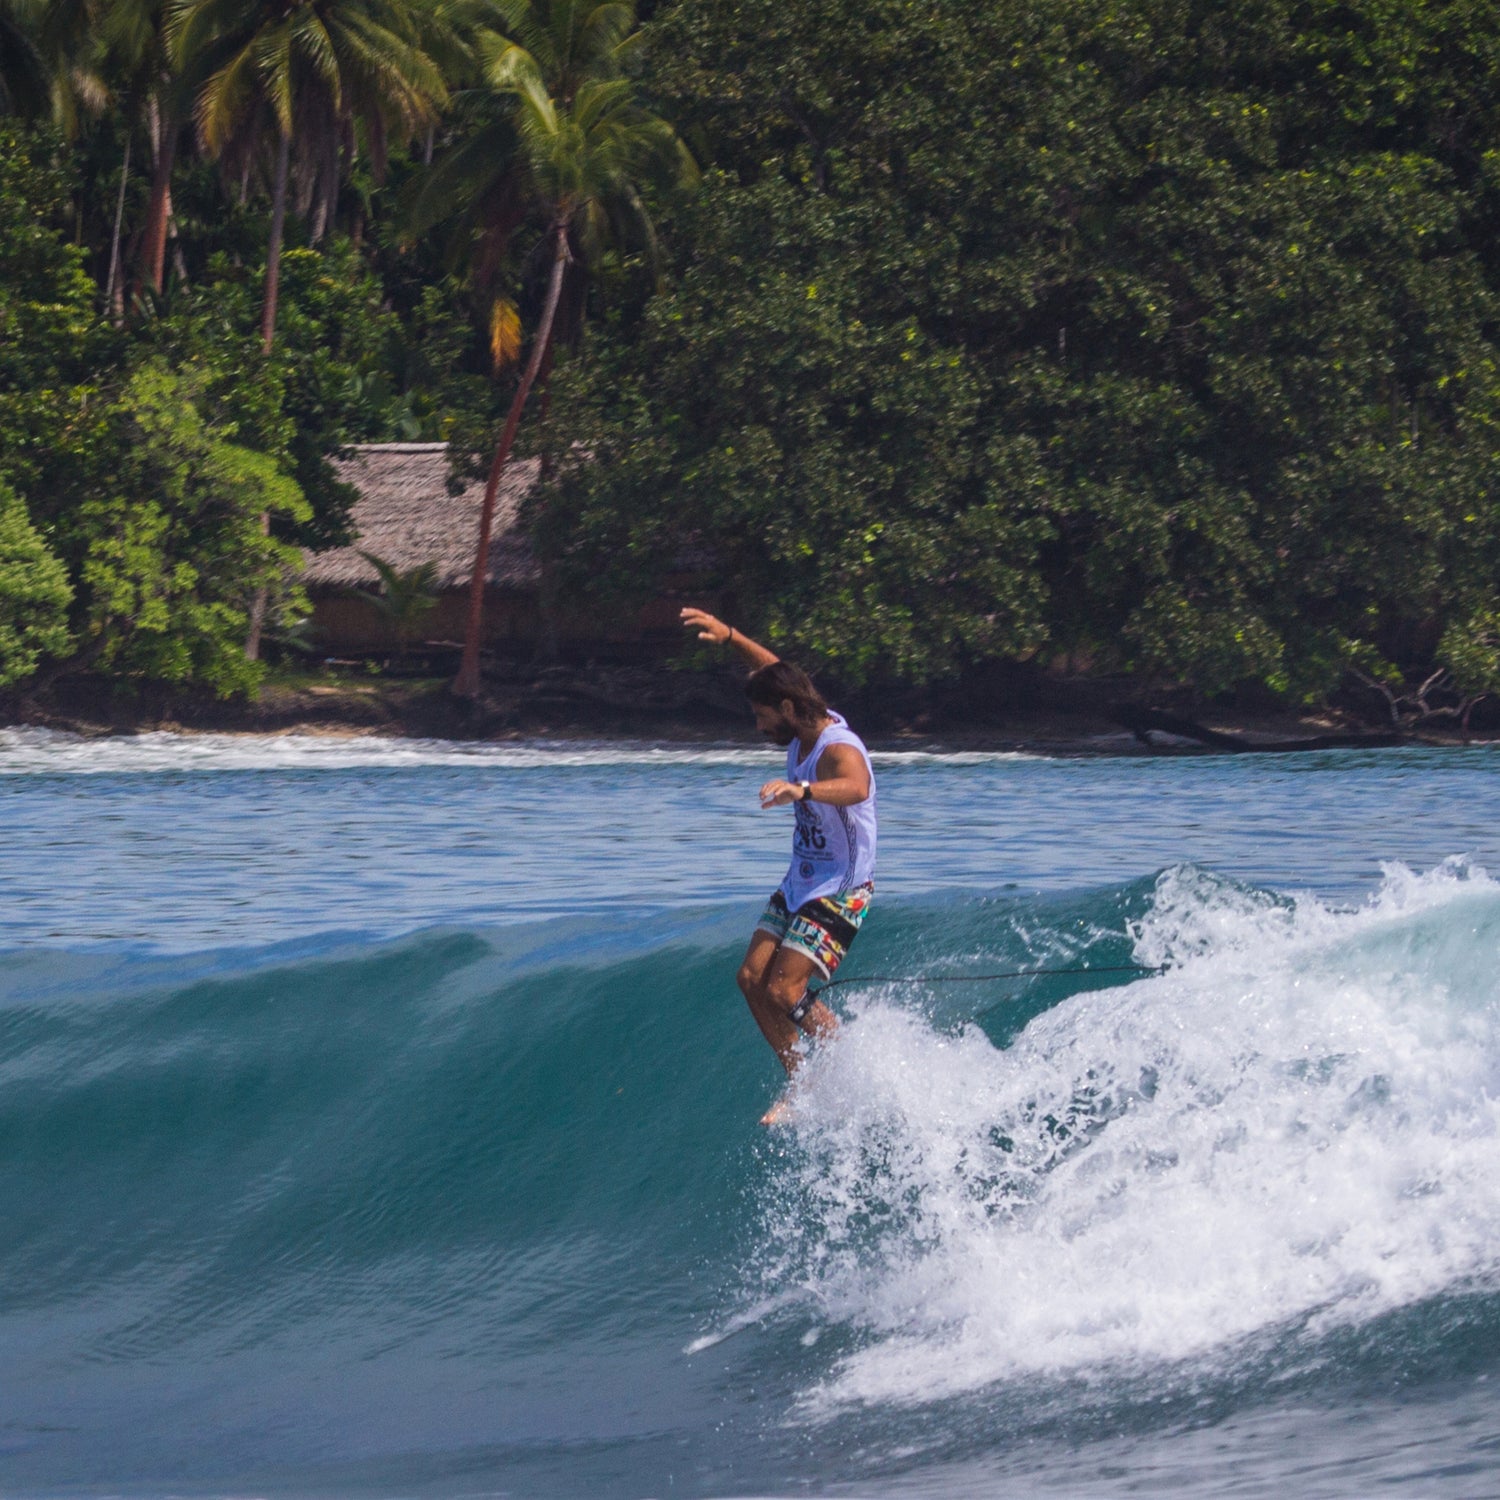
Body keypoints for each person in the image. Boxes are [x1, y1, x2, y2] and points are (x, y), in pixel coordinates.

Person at [681, 607, 877, 1123]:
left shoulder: (838, 745)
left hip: (841, 887)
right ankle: (804, 1078)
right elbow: (775, 668)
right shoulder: (801, 723)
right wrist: (731, 636)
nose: (759, 725)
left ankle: (851, 1061)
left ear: (787, 707)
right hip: (801, 881)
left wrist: (803, 789)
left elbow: (858, 787)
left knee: (783, 989)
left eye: (762, 715)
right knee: (751, 979)